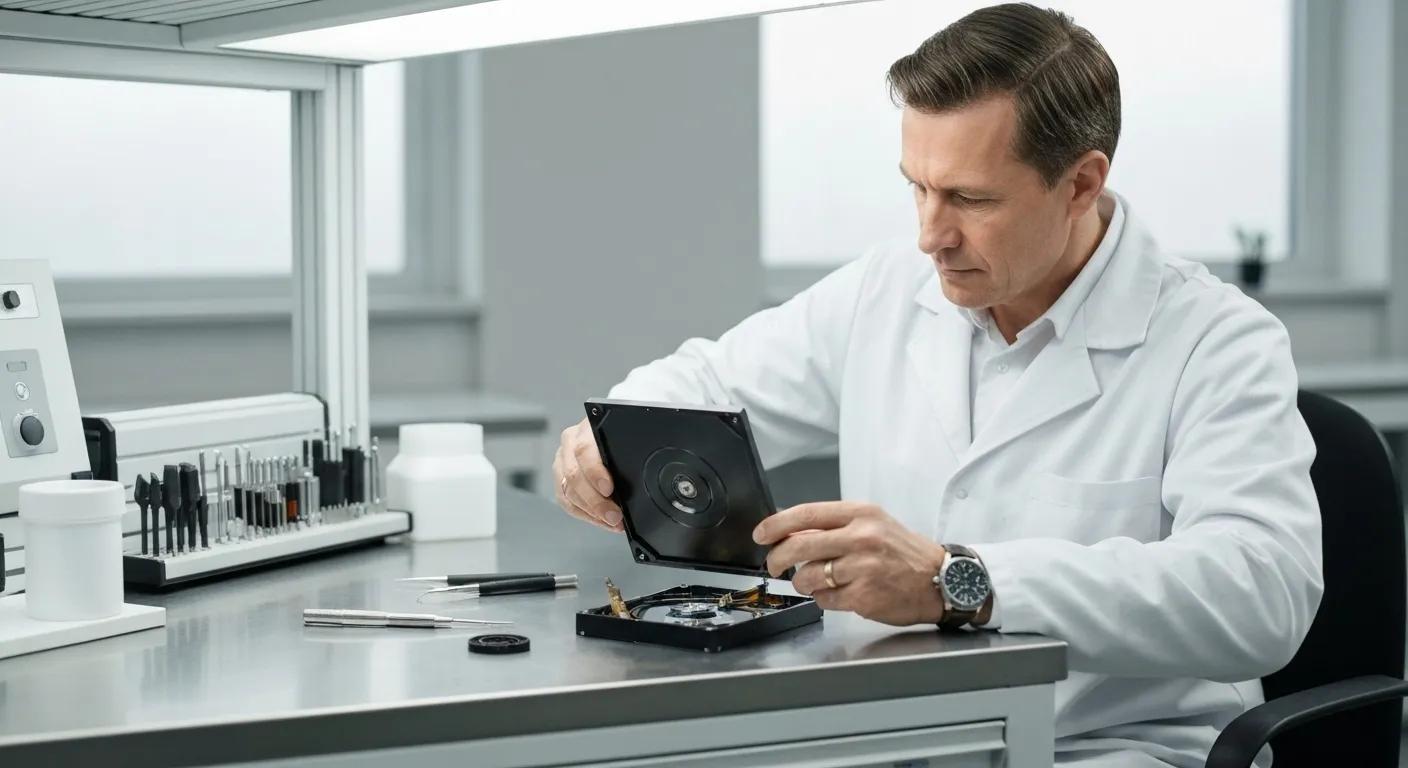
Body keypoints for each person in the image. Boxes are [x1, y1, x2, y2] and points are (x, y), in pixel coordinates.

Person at [552, 4, 1323, 766]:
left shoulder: (1216, 341)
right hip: (910, 736)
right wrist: (608, 441)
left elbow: (1262, 592)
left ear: (1082, 183)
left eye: (971, 199)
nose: (931, 234)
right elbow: (709, 381)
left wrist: (958, 580)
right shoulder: (889, 287)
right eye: (917, 187)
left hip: (1114, 747)